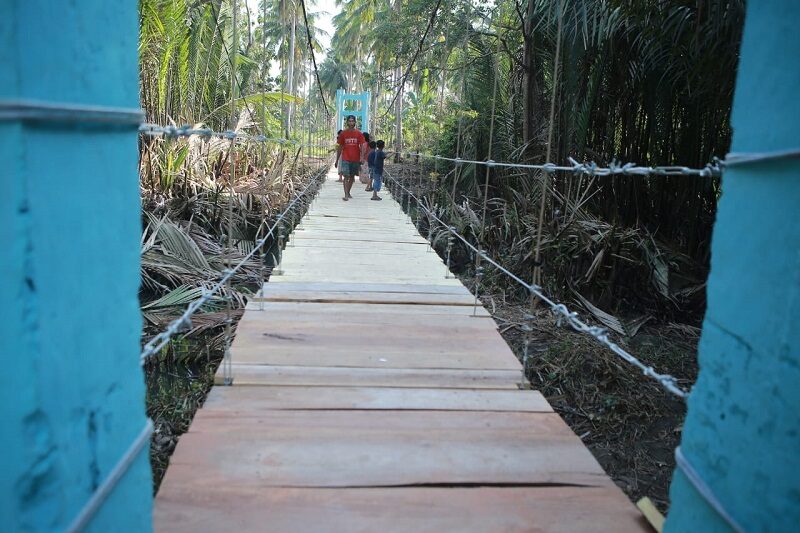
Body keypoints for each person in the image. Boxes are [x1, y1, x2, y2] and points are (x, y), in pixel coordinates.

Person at [335, 115, 366, 201]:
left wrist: (362, 157)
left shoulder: (359, 133)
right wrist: (337, 160)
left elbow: (363, 145)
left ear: (355, 122)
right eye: (349, 121)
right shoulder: (343, 134)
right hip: (346, 158)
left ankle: (348, 192)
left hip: (355, 159)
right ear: (347, 122)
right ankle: (345, 195)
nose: (351, 123)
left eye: (352, 121)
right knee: (346, 176)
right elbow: (340, 147)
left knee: (352, 177)